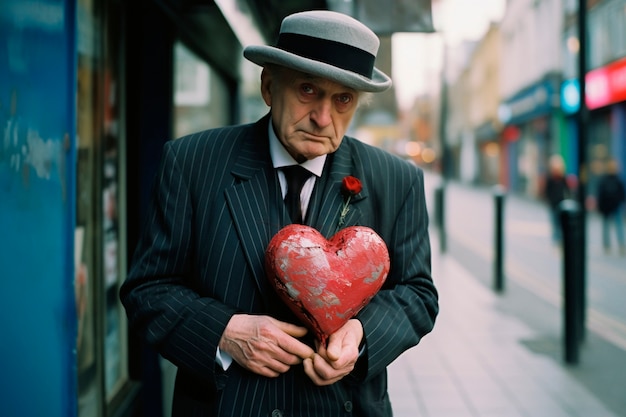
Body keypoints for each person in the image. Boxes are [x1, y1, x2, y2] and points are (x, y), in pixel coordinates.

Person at [120, 10, 438, 417]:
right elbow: (147, 289)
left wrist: (360, 336)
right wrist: (225, 332)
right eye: (308, 90)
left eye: (343, 99)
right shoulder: (191, 163)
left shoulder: (397, 180)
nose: (324, 118)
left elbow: (418, 293)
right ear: (269, 85)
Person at [596, 158, 626, 255]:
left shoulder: (618, 179)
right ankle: (607, 245)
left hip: (615, 206)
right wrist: (600, 206)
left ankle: (620, 245)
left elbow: (622, 194)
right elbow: (600, 194)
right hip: (607, 207)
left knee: (618, 226)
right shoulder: (605, 179)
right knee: (607, 227)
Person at [543, 154, 571, 245]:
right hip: (553, 204)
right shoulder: (550, 179)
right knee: (554, 222)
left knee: (561, 222)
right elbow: (547, 191)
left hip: (561, 203)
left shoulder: (563, 178)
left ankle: (561, 238)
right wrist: (549, 200)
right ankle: (556, 239)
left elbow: (567, 190)